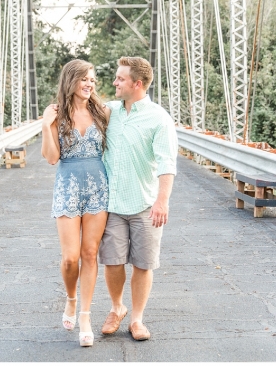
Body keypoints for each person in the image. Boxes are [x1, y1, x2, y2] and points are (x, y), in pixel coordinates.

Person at [98, 56, 178, 341]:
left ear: (137, 83)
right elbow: (78, 109)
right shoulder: (109, 111)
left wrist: (162, 201)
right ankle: (117, 308)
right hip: (113, 204)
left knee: (144, 264)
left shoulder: (159, 118)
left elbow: (167, 163)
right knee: (112, 261)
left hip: (145, 204)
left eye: (120, 78)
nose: (115, 82)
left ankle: (137, 320)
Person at [41, 59, 111, 347]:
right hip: (68, 185)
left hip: (98, 188)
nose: (89, 83)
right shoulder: (58, 114)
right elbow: (51, 157)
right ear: (70, 80)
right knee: (70, 257)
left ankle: (85, 314)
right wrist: (46, 125)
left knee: (90, 253)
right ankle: (71, 298)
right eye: (84, 78)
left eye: (92, 79)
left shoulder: (103, 111)